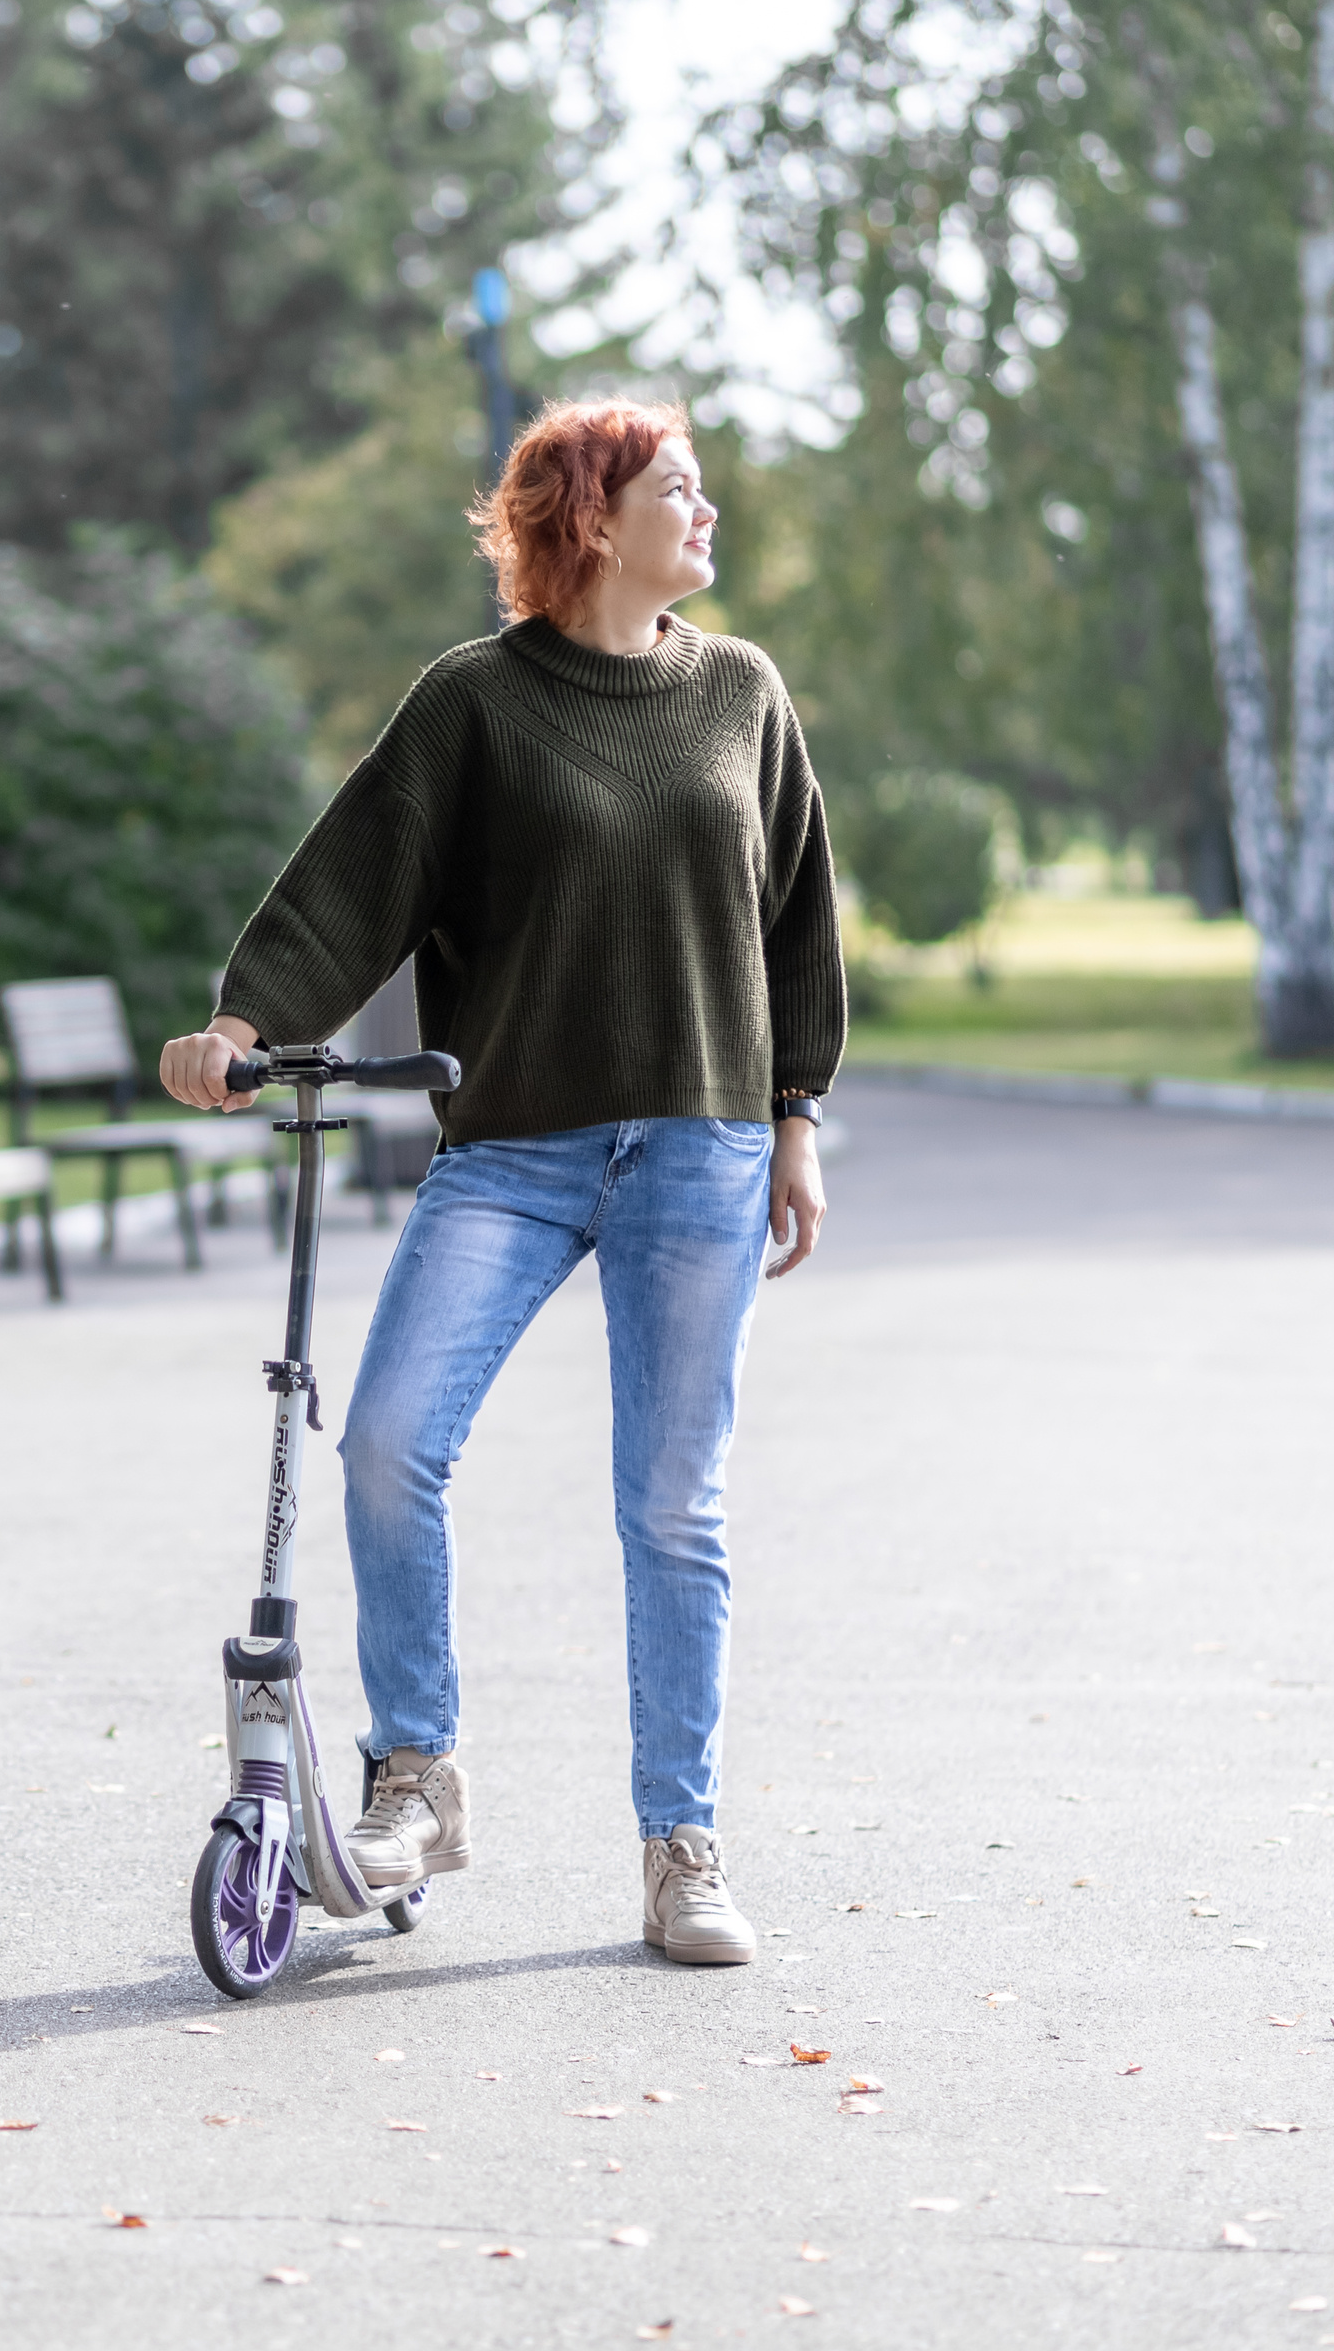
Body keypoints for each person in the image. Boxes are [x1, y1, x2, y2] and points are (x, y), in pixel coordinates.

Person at [159, 397, 843, 1965]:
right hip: (515, 1147)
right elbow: (357, 873)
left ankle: (683, 1845)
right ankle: (419, 1776)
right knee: (391, 1440)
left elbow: (797, 913)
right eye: (682, 487)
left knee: (674, 1509)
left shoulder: (742, 692)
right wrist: (244, 1022)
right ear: (596, 519)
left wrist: (796, 1114)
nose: (710, 509)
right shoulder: (476, 704)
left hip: (703, 1143)